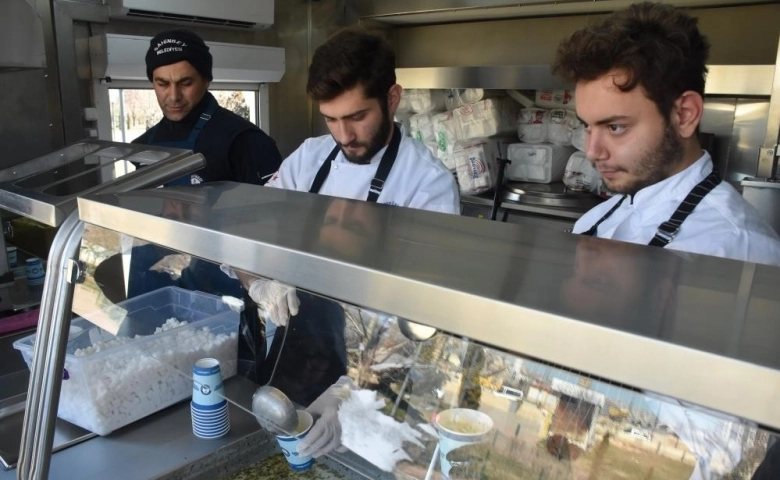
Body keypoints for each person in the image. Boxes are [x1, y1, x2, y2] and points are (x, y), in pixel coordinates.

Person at [229, 26, 461, 461]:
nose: (344, 135)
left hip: (377, 380)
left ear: (392, 98)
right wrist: (260, 281)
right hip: (297, 354)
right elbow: (248, 238)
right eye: (331, 119)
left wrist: (349, 391)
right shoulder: (309, 159)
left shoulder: (427, 186)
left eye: (357, 117)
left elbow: (422, 319)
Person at [551, 2, 780, 267]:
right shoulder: (594, 219)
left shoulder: (738, 251)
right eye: (587, 126)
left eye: (615, 127)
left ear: (685, 115)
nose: (592, 152)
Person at [134, 29, 283, 186]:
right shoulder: (143, 146)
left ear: (206, 80)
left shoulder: (246, 142)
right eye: (162, 84)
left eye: (185, 83)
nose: (173, 96)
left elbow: (275, 207)